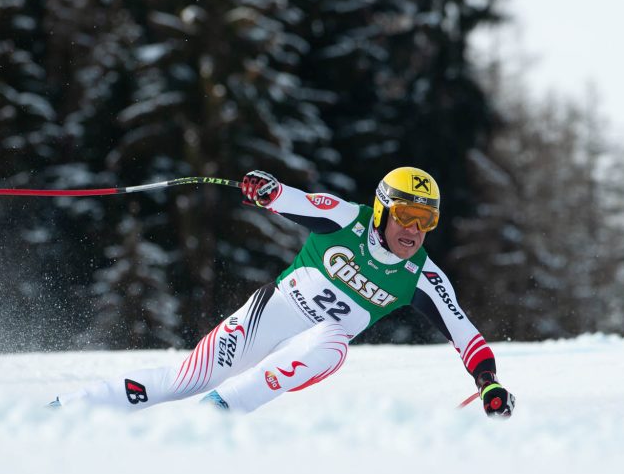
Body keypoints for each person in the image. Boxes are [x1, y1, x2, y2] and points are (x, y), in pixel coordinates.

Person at [51, 167, 515, 417]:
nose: (414, 230)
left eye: (425, 221)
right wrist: (266, 190)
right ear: (381, 210)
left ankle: (217, 415)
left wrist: (488, 382)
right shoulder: (345, 218)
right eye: (406, 215)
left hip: (314, 348)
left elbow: (465, 333)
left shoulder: (422, 276)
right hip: (267, 316)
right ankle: (69, 408)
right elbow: (293, 200)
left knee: (333, 340)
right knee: (184, 380)